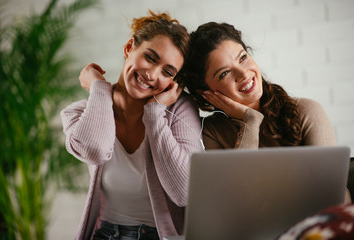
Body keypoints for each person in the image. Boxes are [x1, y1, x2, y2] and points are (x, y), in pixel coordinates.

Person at [61, 11, 203, 240]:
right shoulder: (78, 113)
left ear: (172, 82)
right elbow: (94, 150)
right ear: (129, 48)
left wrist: (155, 113)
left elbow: (184, 192)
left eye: (167, 72)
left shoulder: (179, 111)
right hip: (104, 234)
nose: (151, 74)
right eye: (150, 57)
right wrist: (99, 87)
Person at [183, 22, 351, 202]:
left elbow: (331, 193)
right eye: (224, 73)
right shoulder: (211, 132)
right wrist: (250, 122)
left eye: (242, 58)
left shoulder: (307, 111)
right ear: (206, 93)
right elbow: (235, 203)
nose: (243, 73)